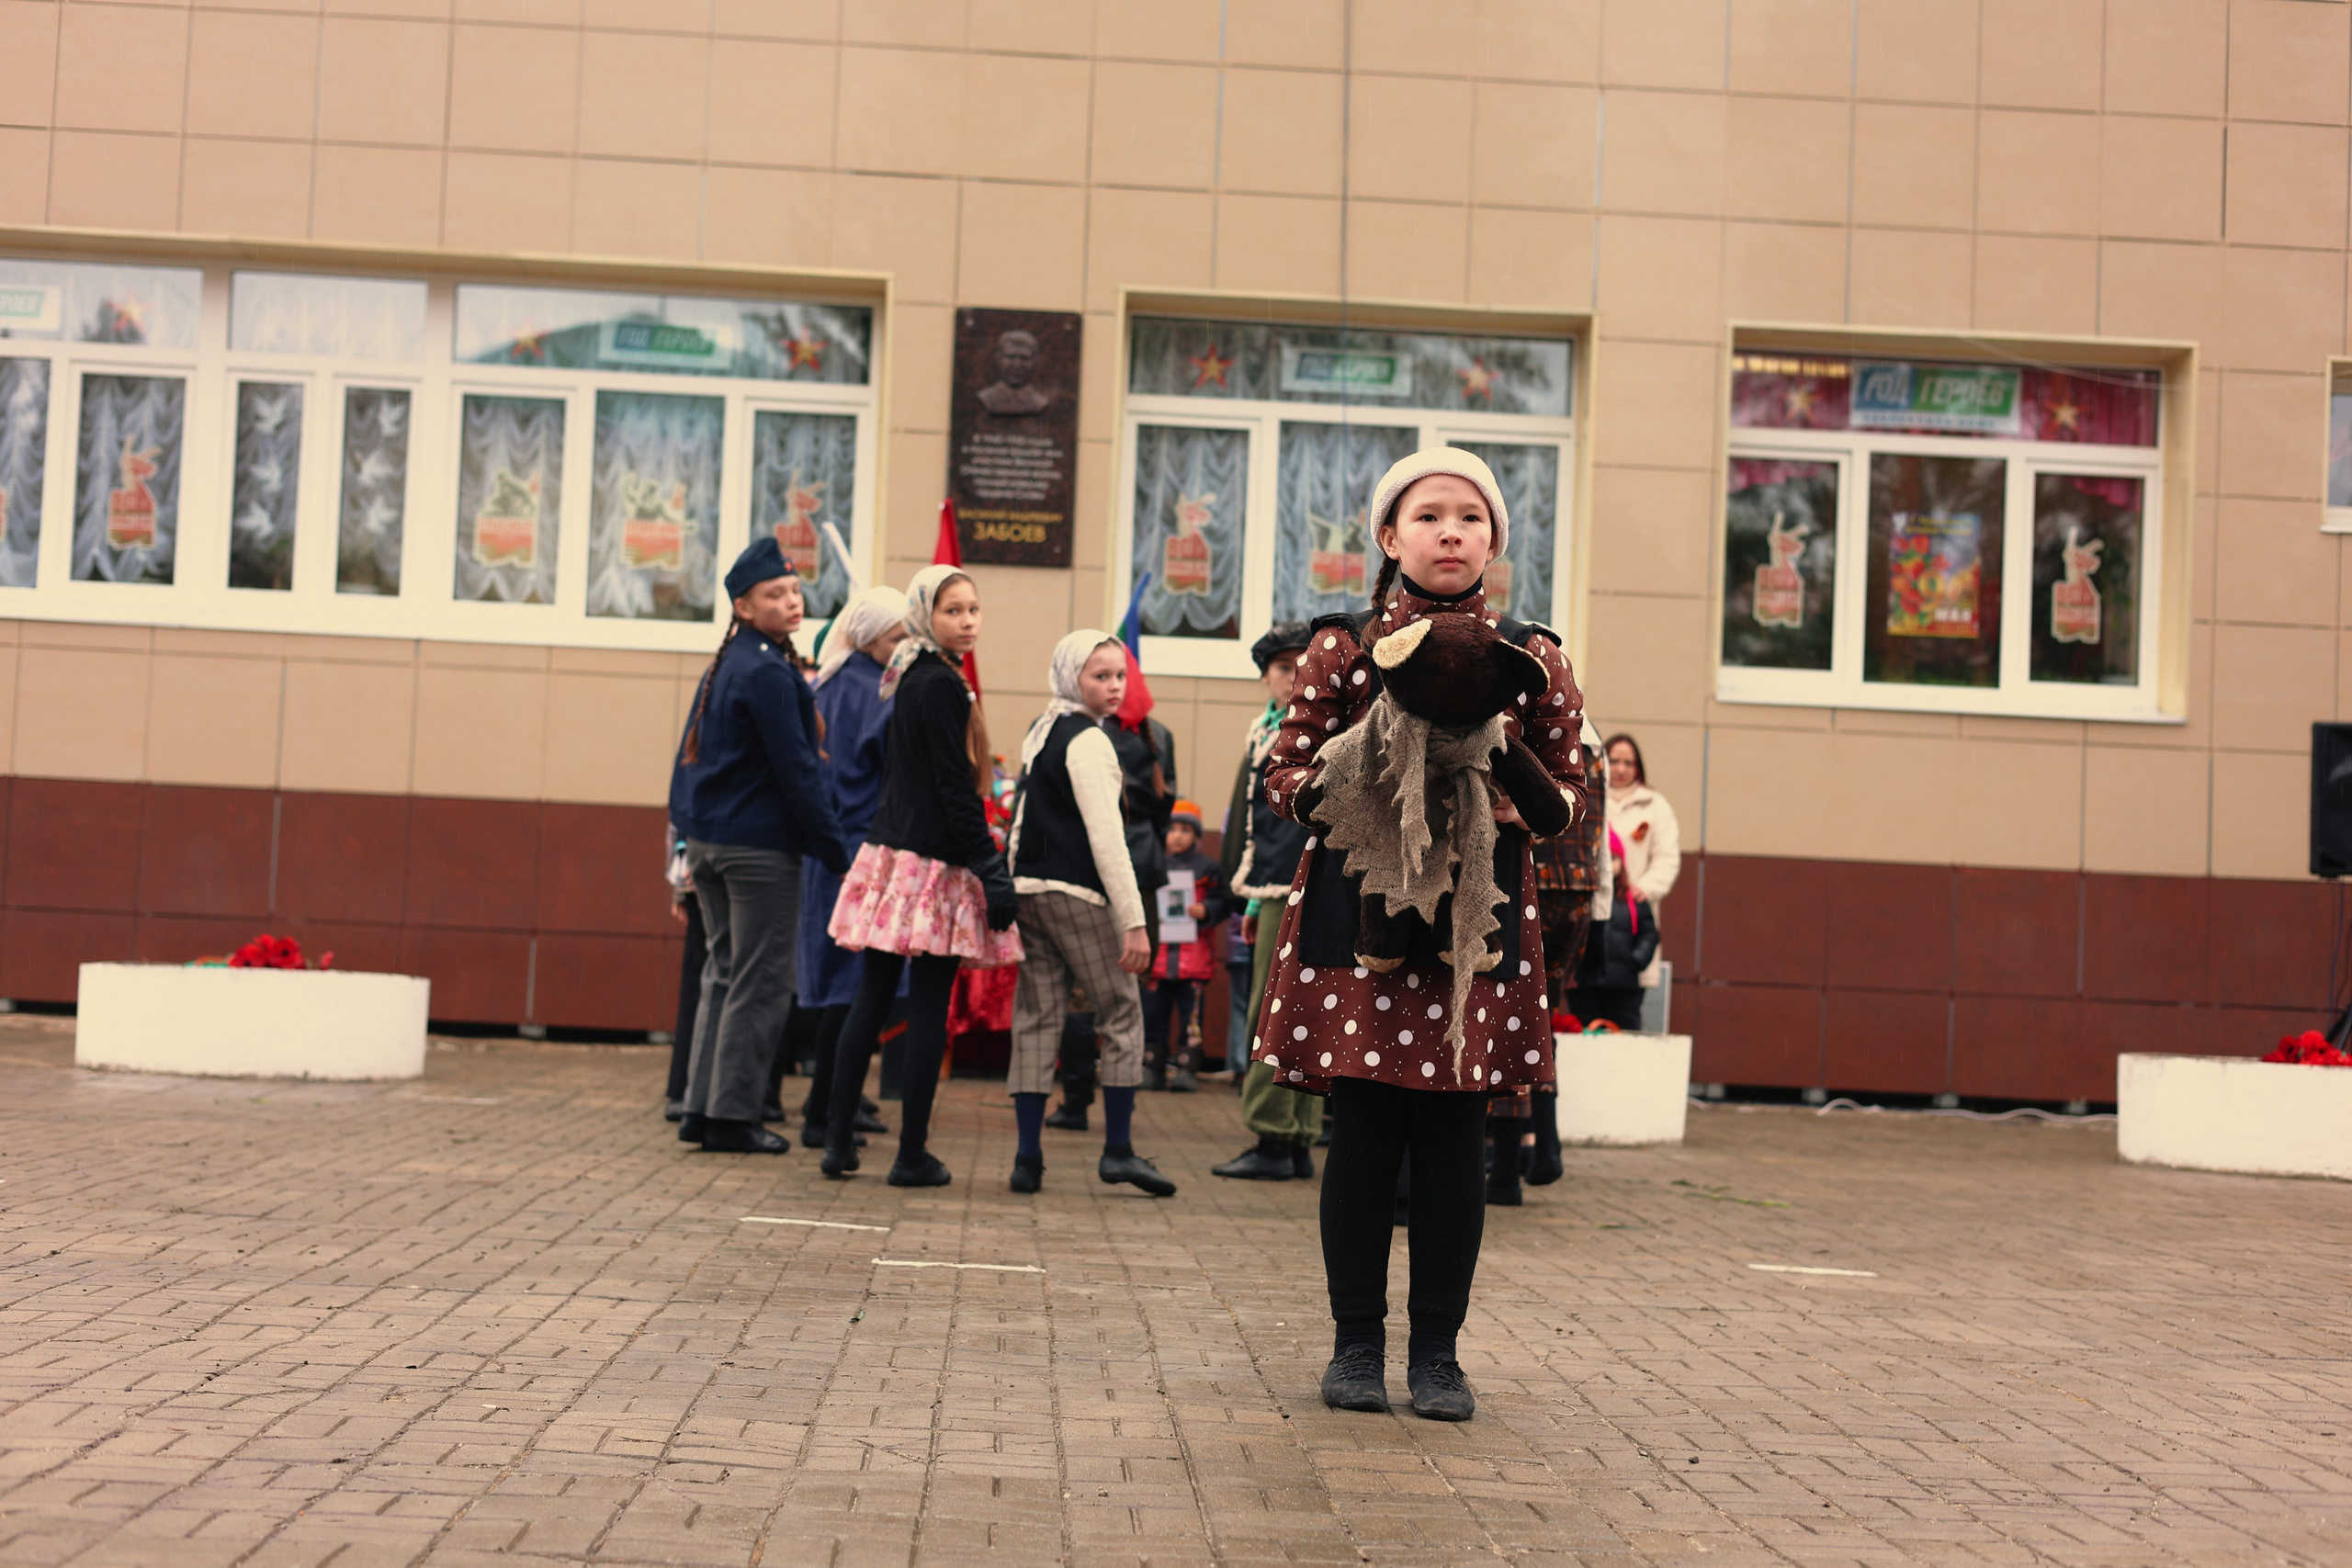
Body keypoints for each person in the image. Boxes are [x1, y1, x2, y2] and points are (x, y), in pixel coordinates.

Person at [1253, 448, 1591, 1422]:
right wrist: (1375, 777)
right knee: (1360, 1138)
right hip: (1358, 924)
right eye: (1430, 515)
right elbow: (1282, 776)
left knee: (1454, 1145)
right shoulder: (1342, 648)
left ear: (1493, 540)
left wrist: (1489, 775)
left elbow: (1568, 793)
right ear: (1388, 537)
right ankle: (1355, 1346)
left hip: (1476, 931)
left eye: (1471, 518)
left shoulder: (1534, 657)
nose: (1452, 532)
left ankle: (1436, 1356)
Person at [820, 566, 1022, 1186]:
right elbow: (953, 786)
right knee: (926, 1008)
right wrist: (989, 865)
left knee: (871, 1000)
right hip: (931, 863)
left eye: (973, 609)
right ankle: (910, 1154)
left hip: (892, 856)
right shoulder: (937, 681)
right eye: (952, 610)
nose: (966, 620)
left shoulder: (909, 672)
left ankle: (836, 1143)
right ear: (923, 615)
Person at [670, 538, 850, 1155]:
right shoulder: (769, 672)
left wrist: (684, 836)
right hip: (758, 850)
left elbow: (686, 758)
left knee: (723, 974)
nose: (791, 602)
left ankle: (701, 1107)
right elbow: (800, 771)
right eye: (775, 595)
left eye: (795, 591)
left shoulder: (732, 663)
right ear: (743, 606)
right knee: (761, 982)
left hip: (712, 843)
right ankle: (733, 1117)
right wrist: (836, 849)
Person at [1004, 631, 1177, 1197]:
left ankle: (1027, 1159)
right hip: (1076, 893)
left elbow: (1022, 814)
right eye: (1098, 675)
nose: (1113, 686)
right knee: (1123, 1013)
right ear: (1070, 676)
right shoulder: (1090, 741)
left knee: (1036, 1018)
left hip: (1029, 890)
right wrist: (1133, 920)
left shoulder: (1043, 728)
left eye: (1118, 676)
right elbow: (1109, 839)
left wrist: (1009, 887)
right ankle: (1118, 1151)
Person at [792, 584, 910, 1149]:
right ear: (867, 639)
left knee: (841, 988)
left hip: (833, 851)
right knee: (857, 990)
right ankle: (827, 1112)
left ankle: (826, 1106)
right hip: (864, 852)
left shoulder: (830, 684)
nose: (904, 645)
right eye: (896, 637)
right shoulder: (877, 692)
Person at [1210, 622, 1322, 1181]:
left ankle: (1278, 1135)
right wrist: (1253, 905)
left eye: (1303, 665)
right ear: (1266, 678)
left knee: (1281, 1010)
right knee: (1285, 1006)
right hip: (1274, 890)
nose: (1293, 676)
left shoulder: (1320, 731)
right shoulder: (1264, 731)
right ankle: (1292, 1136)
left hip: (1307, 885)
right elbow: (1257, 828)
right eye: (1282, 668)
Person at [1574, 733, 1682, 1032]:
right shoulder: (1588, 797)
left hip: (1630, 923)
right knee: (1582, 1020)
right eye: (1615, 760)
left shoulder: (1655, 806)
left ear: (1638, 767)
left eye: (1628, 762)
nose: (1621, 768)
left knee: (1626, 1020)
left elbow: (1667, 858)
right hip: (1589, 914)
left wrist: (1643, 890)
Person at [1139, 799, 1232, 1093]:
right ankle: (1152, 1065)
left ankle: (1186, 1067)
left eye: (1185, 830)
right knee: (1153, 1013)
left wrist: (1206, 910)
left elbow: (1223, 901)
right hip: (1158, 959)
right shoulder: (1153, 864)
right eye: (1172, 829)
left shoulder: (1207, 867)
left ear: (1196, 835)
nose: (1177, 835)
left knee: (1192, 1016)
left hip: (1193, 960)